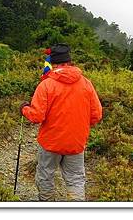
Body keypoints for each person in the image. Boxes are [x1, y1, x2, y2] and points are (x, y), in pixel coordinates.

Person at [20, 43, 103, 201]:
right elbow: (96, 115)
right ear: (69, 62)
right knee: (76, 179)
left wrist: (24, 109)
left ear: (52, 62)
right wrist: (79, 125)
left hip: (51, 142)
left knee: (45, 175)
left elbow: (37, 116)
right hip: (76, 142)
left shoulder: (46, 85)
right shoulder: (86, 84)